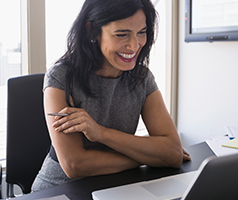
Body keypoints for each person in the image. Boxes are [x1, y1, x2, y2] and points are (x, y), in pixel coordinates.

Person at [31, 0, 190, 192]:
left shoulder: (142, 78)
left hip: (117, 187)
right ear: (92, 31)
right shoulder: (61, 77)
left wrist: (101, 133)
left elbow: (172, 153)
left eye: (141, 32)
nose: (134, 46)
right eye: (121, 34)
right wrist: (151, 157)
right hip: (60, 189)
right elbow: (74, 165)